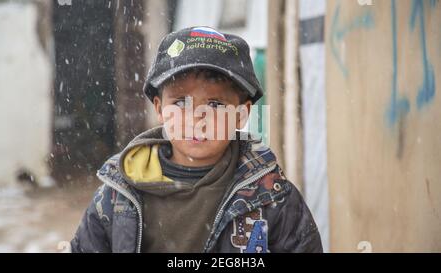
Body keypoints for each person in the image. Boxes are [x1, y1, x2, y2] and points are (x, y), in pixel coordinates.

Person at [71, 26, 322, 253]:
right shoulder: (118, 194)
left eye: (215, 104)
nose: (196, 119)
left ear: (241, 114)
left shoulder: (272, 196)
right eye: (180, 102)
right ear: (159, 109)